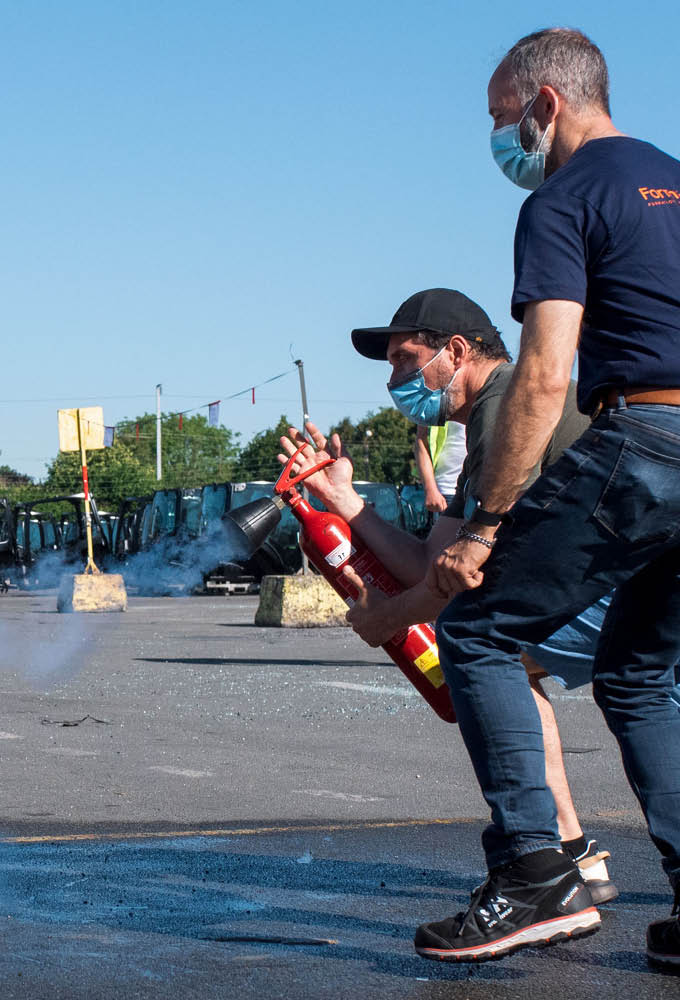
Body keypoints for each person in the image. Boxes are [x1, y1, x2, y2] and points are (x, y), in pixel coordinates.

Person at [417, 28, 680, 966]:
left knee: (480, 629)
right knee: (640, 673)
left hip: (649, 435)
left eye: (502, 120)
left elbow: (542, 374)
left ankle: (535, 872)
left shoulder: (568, 196)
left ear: (546, 105)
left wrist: (485, 523)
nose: (502, 142)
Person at [279, 287, 617, 907]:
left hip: (635, 579)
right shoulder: (491, 421)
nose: (395, 381)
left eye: (405, 361)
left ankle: (539, 865)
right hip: (612, 576)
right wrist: (345, 501)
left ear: (455, 351)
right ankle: (569, 851)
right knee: (499, 649)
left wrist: (390, 620)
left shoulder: (508, 408)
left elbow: (456, 582)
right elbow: (429, 565)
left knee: (476, 639)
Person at [414, 421, 466, 517]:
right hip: (447, 491)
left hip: (484, 490)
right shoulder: (437, 405)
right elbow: (421, 440)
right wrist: (430, 489)